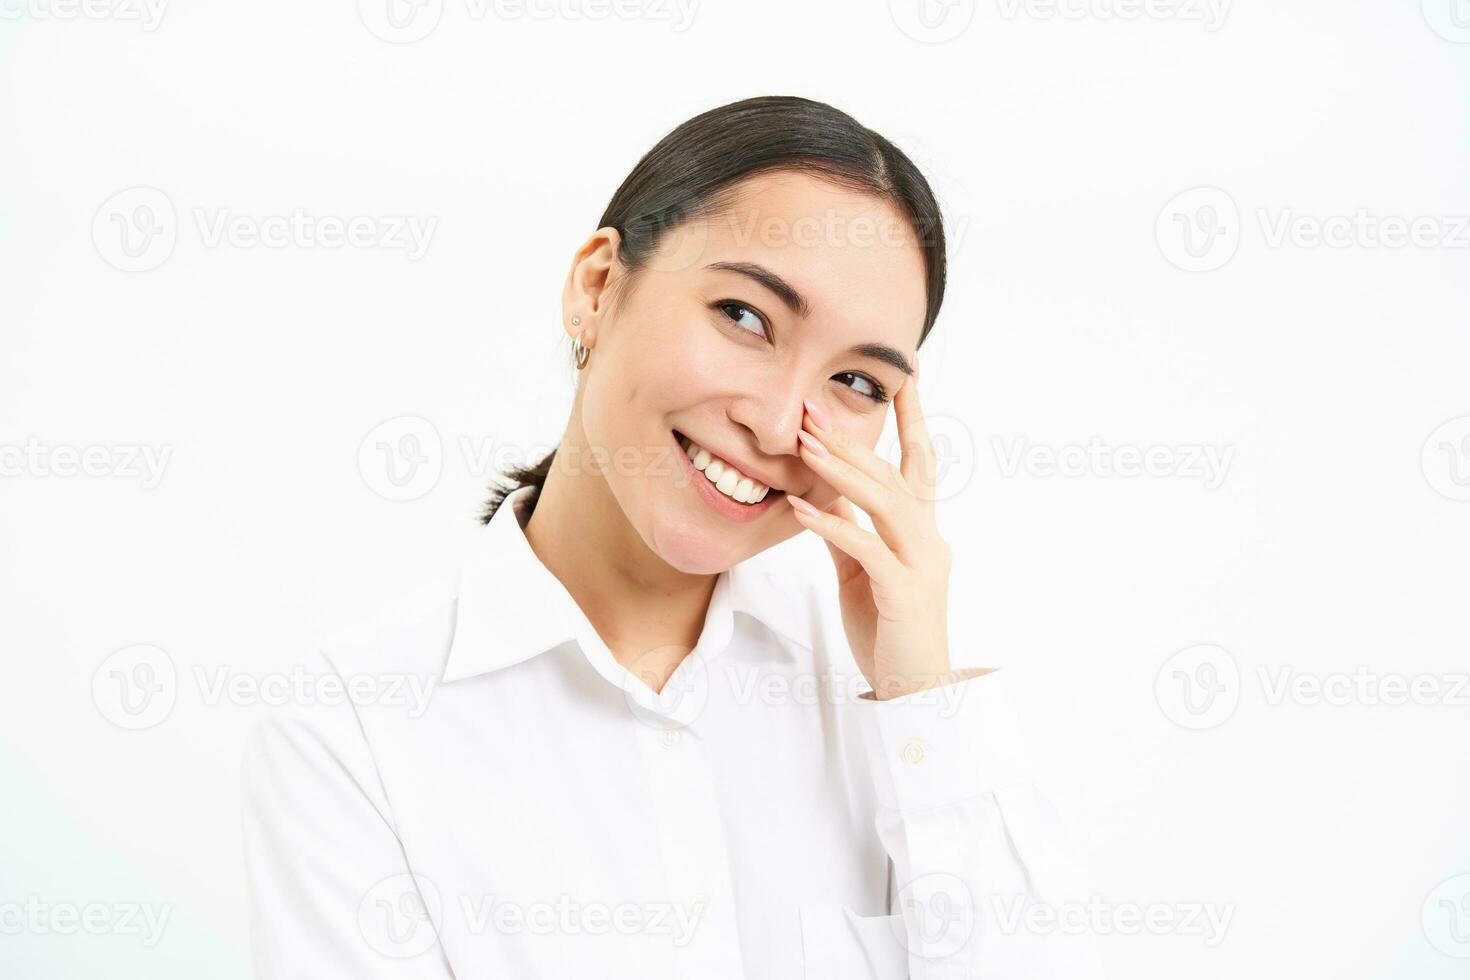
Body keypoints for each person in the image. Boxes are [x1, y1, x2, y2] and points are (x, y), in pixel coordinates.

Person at [241, 94, 1106, 979]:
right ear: (598, 287)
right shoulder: (353, 736)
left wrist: (923, 692)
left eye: (856, 380)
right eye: (744, 317)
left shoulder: (890, 701)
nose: (777, 426)